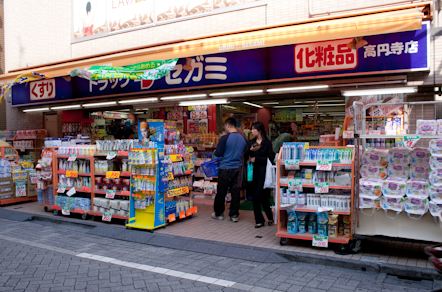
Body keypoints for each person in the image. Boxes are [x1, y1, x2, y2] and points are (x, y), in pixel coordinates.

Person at [212, 117, 247, 222]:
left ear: (228, 125)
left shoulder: (225, 138)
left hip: (225, 168)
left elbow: (218, 153)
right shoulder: (243, 138)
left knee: (221, 192)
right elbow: (245, 152)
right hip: (238, 168)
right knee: (235, 192)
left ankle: (219, 213)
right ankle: (234, 215)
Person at [246, 122, 276, 228]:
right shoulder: (251, 142)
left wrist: (257, 159)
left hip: (265, 172)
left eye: (254, 129)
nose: (252, 131)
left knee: (264, 197)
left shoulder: (267, 143)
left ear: (259, 130)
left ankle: (270, 217)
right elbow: (247, 156)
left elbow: (271, 158)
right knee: (256, 197)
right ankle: (259, 220)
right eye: (252, 129)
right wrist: (249, 153)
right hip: (254, 172)